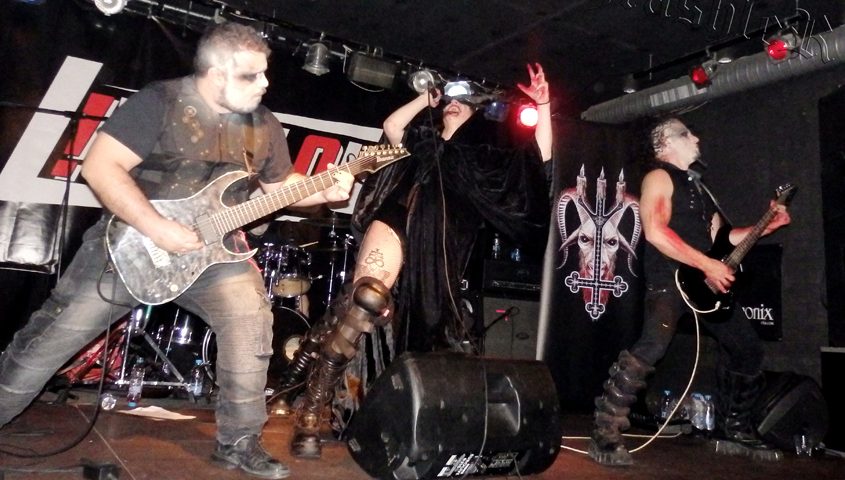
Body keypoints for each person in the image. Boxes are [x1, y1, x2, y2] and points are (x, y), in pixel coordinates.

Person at [0, 23, 354, 480]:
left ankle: (239, 441)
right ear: (216, 74)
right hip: (132, 244)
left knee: (250, 324)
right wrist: (156, 227)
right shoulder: (160, 101)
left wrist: (323, 190)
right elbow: (100, 166)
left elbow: (279, 188)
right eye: (250, 75)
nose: (264, 83)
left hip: (214, 254)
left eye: (264, 73)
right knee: (53, 336)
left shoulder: (264, 124)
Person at [277, 64, 554, 459]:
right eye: (450, 101)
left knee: (356, 313)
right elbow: (392, 125)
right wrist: (426, 98)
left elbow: (539, 158)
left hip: (437, 263)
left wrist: (543, 106)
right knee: (363, 300)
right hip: (395, 222)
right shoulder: (420, 142)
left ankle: (300, 368)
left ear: (476, 113)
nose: (454, 104)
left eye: (464, 102)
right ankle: (311, 409)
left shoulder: (483, 161)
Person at [588, 117, 791, 466]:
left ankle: (732, 429)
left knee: (748, 349)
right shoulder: (659, 176)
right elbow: (655, 231)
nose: (696, 138)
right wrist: (708, 265)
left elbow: (723, 239)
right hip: (669, 279)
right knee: (653, 345)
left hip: (706, 284)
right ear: (664, 143)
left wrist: (765, 226)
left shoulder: (699, 188)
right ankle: (605, 431)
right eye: (686, 133)